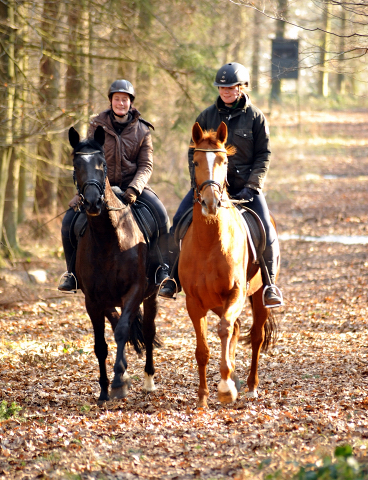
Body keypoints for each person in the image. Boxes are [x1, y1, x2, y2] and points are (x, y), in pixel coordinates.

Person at [159, 62, 283, 307]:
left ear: (241, 88)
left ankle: (269, 285)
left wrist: (253, 185)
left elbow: (264, 155)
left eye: (231, 88)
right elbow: (193, 153)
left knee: (266, 230)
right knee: (178, 221)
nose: (226, 92)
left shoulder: (255, 117)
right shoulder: (206, 116)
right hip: (209, 187)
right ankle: (172, 278)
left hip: (246, 186)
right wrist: (200, 185)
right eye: (222, 88)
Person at [59, 79, 170, 292]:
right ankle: (72, 273)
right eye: (117, 99)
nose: (121, 103)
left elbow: (146, 165)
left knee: (162, 215)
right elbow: (88, 160)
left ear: (131, 103)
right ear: (111, 101)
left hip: (132, 188)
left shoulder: (143, 130)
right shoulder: (96, 125)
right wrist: (82, 191)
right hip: (99, 188)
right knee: (68, 221)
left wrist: (134, 189)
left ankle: (162, 269)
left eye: (125, 100)